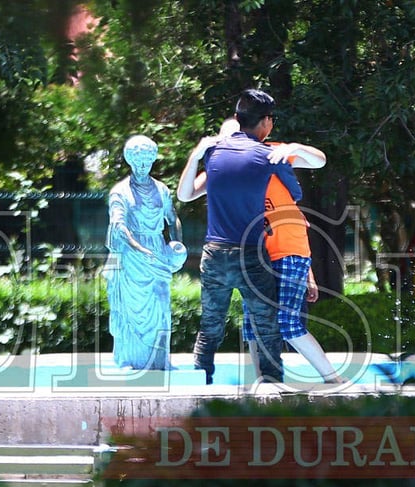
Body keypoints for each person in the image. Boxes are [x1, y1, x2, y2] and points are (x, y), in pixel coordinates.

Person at [177, 89, 302, 384]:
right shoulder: (269, 155)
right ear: (268, 123)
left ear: (236, 118)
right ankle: (272, 386)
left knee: (211, 324)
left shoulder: (212, 154)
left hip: (215, 254)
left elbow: (184, 194)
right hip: (251, 255)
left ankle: (200, 381)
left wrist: (196, 155)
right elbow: (296, 194)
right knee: (266, 324)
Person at [207, 118, 344, 384]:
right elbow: (187, 193)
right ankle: (266, 383)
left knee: (288, 325)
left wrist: (295, 146)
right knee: (252, 325)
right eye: (227, 141)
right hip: (254, 257)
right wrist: (199, 156)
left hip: (287, 251)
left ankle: (333, 379)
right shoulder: (221, 169)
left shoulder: (270, 154)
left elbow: (318, 162)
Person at [103, 135, 187, 370]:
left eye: (147, 161)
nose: (143, 166)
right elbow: (119, 227)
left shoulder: (161, 189)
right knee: (130, 311)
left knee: (161, 308)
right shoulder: (120, 192)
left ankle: (161, 360)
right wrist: (140, 249)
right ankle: (129, 360)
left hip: (158, 253)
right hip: (132, 258)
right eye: (138, 161)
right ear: (130, 161)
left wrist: (177, 247)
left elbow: (172, 218)